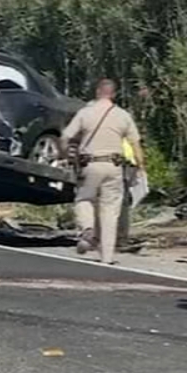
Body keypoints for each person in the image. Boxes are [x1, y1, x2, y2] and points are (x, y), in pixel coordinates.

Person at [62, 78, 144, 265]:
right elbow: (136, 145)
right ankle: (107, 258)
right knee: (110, 211)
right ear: (113, 95)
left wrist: (65, 155)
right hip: (114, 166)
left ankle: (87, 229)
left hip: (89, 165)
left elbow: (66, 136)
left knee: (84, 199)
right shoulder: (123, 116)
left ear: (97, 92)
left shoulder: (85, 113)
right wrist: (140, 168)